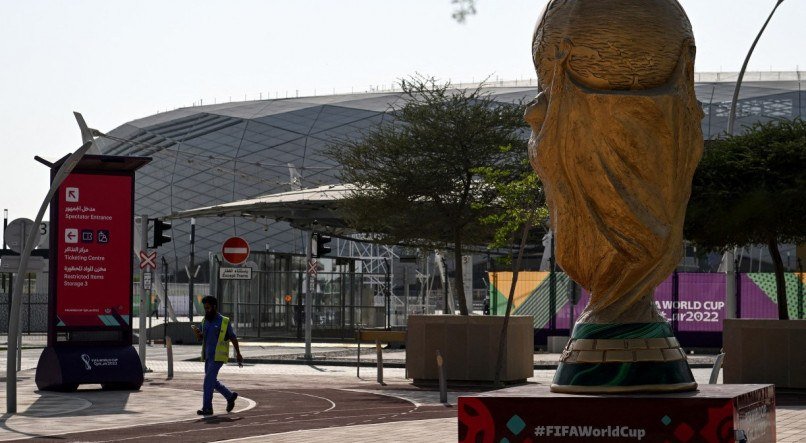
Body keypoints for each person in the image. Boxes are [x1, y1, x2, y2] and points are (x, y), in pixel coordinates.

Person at [191, 295, 243, 415]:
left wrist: (239, 354)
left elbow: (233, 337)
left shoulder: (224, 321)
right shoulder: (205, 320)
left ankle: (207, 408)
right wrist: (198, 334)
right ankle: (230, 396)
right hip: (208, 357)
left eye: (208, 308)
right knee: (212, 381)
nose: (206, 310)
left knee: (207, 382)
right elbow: (201, 338)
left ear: (214, 307)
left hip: (218, 357)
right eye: (205, 308)